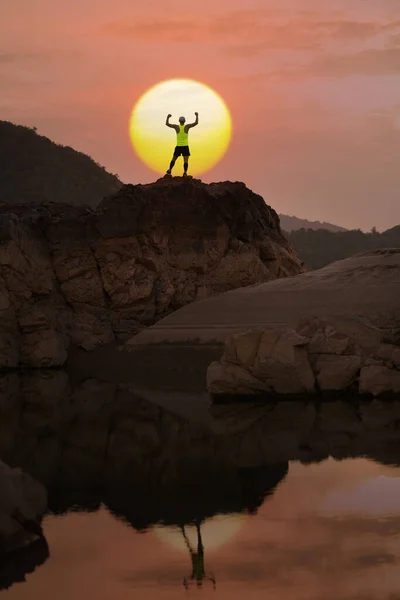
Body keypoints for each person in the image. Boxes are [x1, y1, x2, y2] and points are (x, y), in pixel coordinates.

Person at [165, 113, 199, 177]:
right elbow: (196, 123)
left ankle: (169, 170)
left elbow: (167, 124)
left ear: (179, 121)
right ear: (185, 121)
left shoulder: (176, 127)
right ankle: (185, 173)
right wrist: (196, 115)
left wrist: (168, 117)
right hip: (185, 147)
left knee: (174, 159)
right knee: (185, 161)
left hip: (178, 147)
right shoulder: (187, 126)